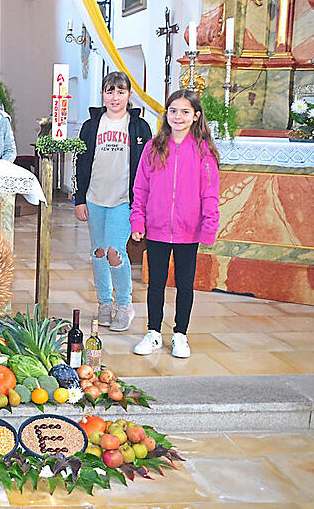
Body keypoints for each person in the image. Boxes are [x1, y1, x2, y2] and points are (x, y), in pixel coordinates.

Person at [130, 89, 220, 359]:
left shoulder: (204, 152)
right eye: (173, 110)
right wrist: (138, 218)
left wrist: (208, 226)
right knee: (155, 283)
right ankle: (154, 332)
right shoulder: (152, 147)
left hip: (188, 230)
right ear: (166, 114)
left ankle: (180, 334)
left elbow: (210, 193)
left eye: (184, 111)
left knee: (184, 284)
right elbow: (141, 187)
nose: (178, 116)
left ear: (196, 116)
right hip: (156, 228)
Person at [74, 71, 153, 332]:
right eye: (110, 91)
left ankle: (125, 305)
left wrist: (142, 204)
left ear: (129, 95)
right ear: (103, 94)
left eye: (121, 91)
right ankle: (104, 304)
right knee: (98, 253)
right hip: (95, 197)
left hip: (124, 200)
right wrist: (80, 198)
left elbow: (146, 168)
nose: (115, 97)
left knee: (114, 252)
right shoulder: (91, 126)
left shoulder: (139, 127)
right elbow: (82, 164)